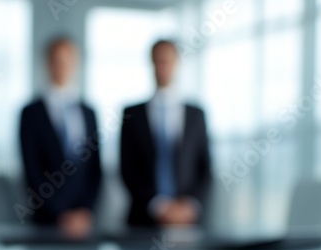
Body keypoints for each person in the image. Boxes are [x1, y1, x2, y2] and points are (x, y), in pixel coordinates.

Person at [120, 40, 211, 227]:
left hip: (187, 219)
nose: (163, 67)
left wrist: (189, 206)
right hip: (142, 219)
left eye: (167, 61)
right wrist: (158, 206)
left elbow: (205, 168)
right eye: (158, 61)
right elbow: (127, 168)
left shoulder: (196, 115)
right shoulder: (132, 114)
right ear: (151, 63)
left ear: (177, 63)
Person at [19, 37, 102, 238]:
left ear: (76, 63)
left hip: (82, 221)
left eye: (67, 60)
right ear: (47, 63)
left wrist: (86, 210)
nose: (62, 66)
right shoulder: (31, 112)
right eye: (56, 60)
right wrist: (59, 214)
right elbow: (31, 169)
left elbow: (94, 168)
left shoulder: (88, 112)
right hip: (46, 220)